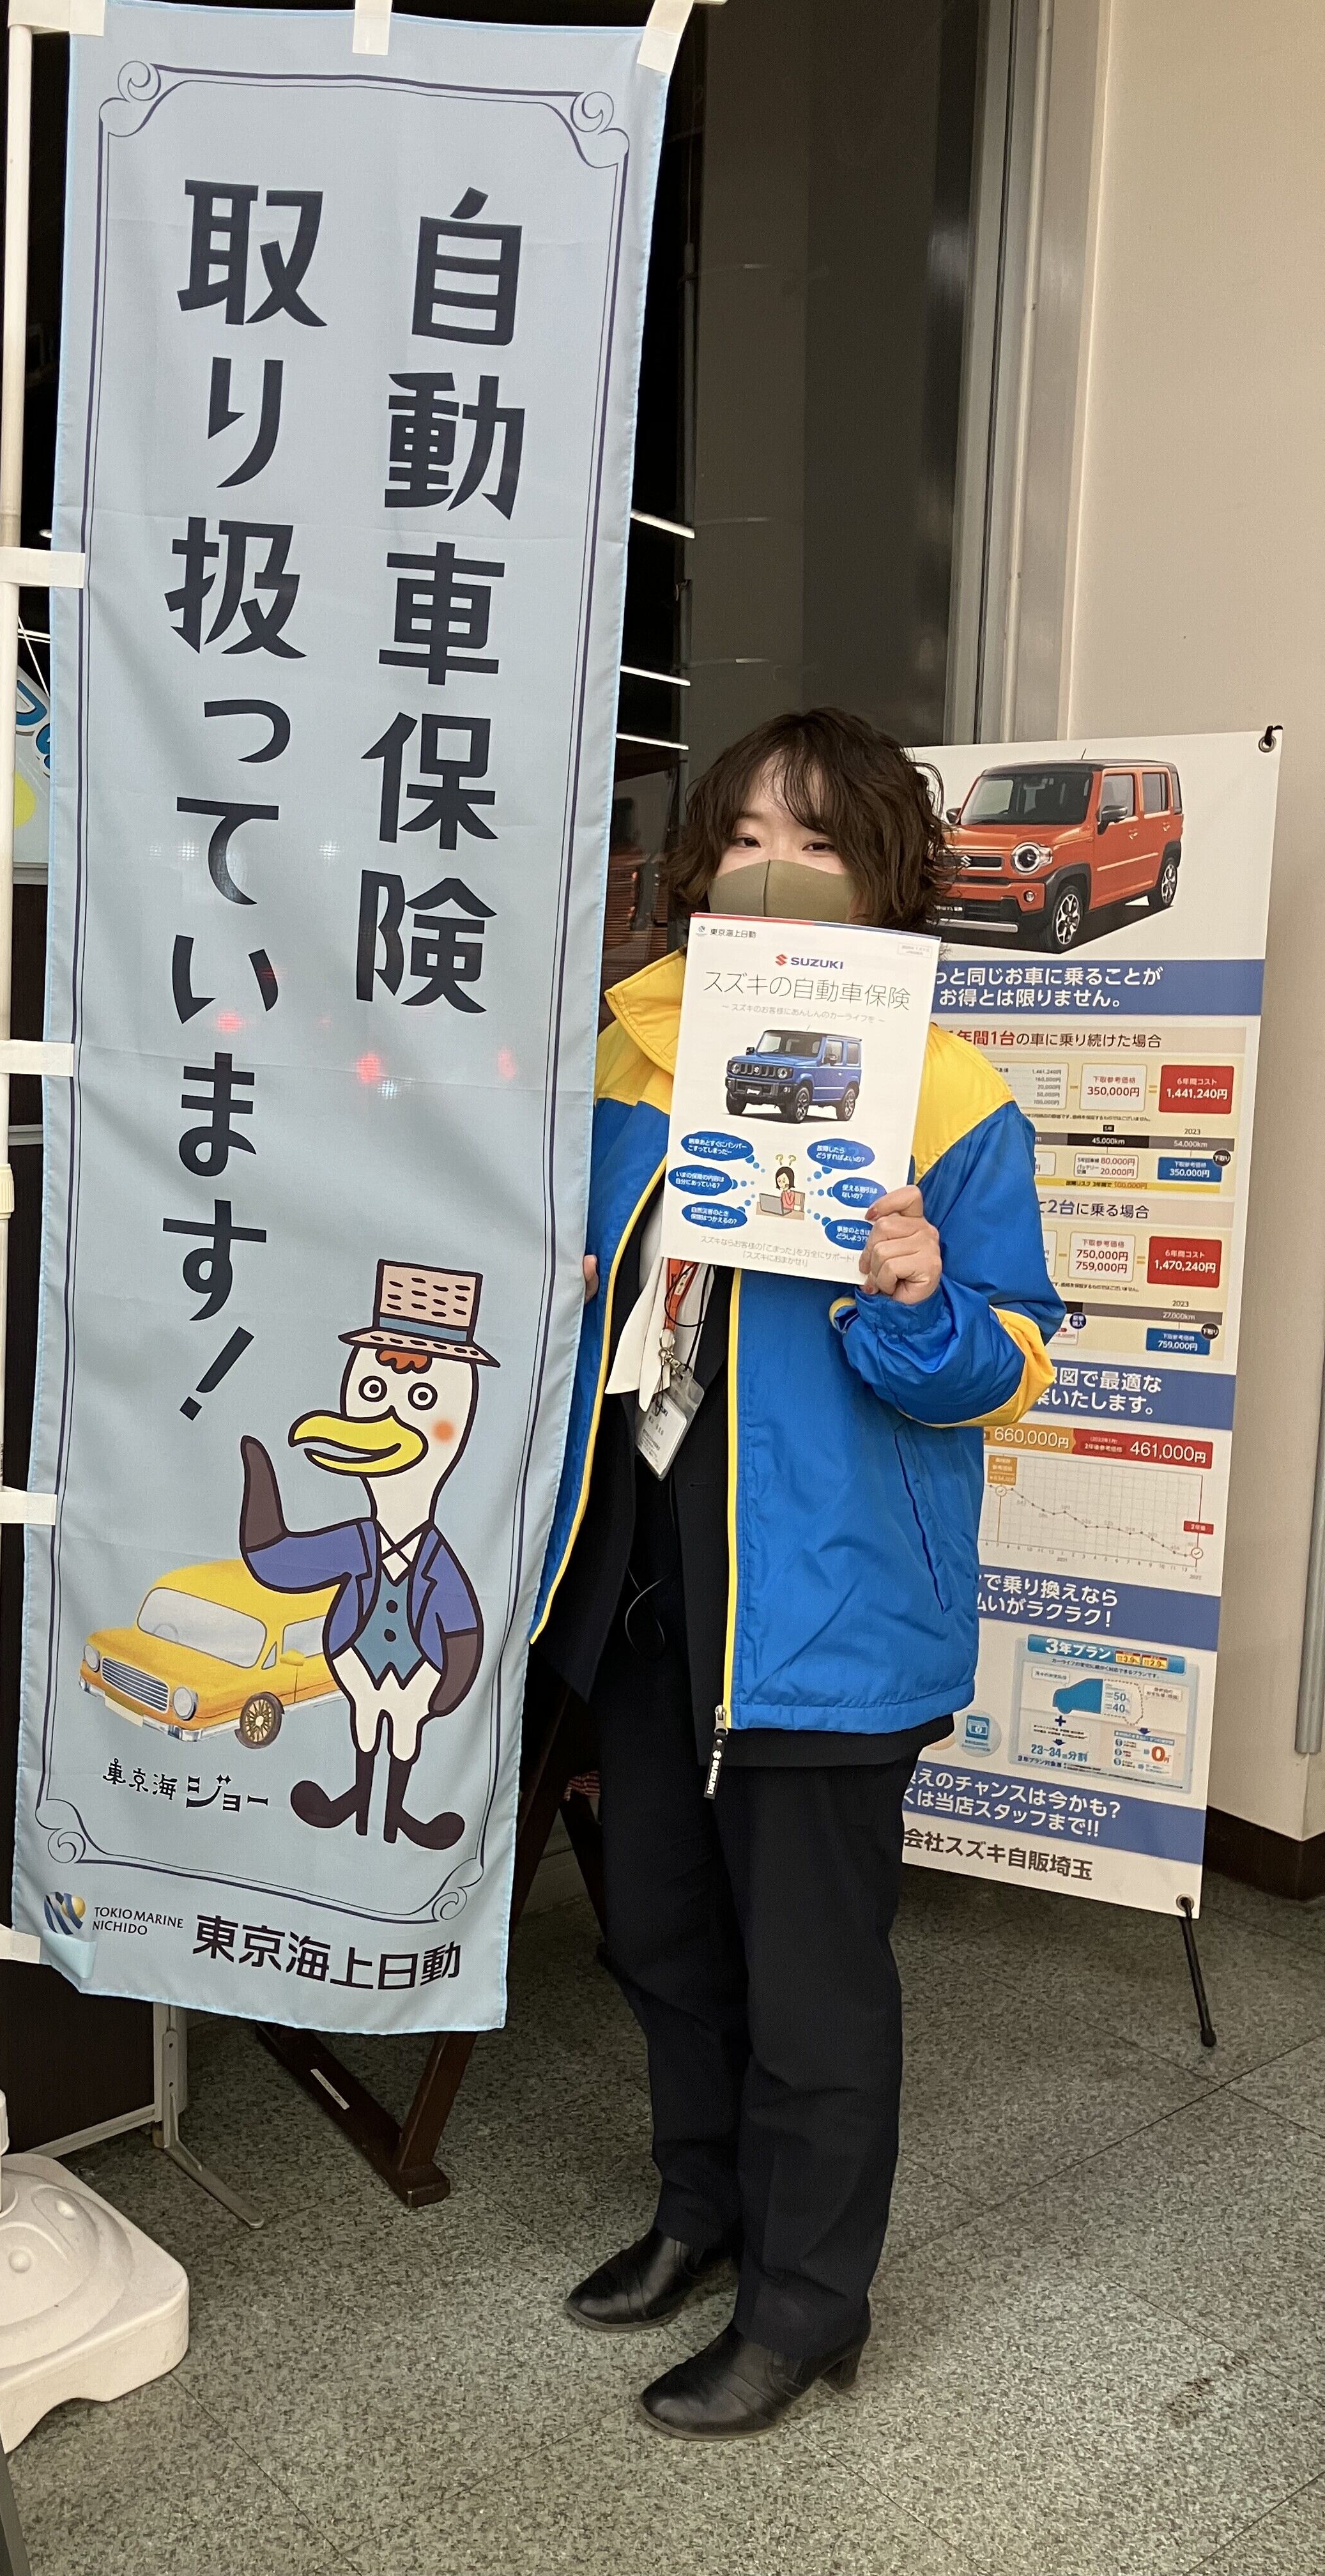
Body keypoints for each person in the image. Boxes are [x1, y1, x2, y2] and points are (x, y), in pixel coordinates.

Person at [534, 707, 1062, 2439]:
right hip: (643, 1571)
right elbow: (584, 1296)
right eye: (747, 834)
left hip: (826, 1603)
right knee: (660, 1933)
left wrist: (917, 1296)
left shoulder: (953, 1096)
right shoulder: (633, 1052)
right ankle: (701, 2212)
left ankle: (807, 2305)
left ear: (886, 878)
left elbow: (1006, 1365)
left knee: (815, 1986)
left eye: (820, 842)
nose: (774, 867)